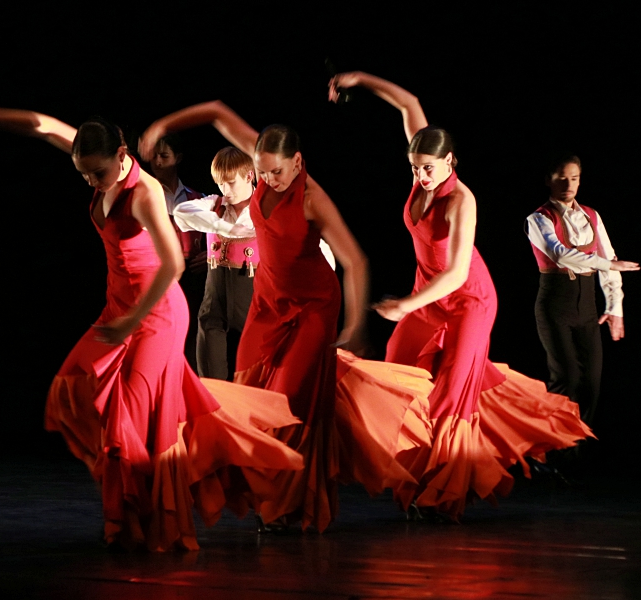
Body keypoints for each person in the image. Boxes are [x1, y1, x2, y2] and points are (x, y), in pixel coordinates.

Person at [0, 107, 305, 551]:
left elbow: (174, 264)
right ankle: (129, 517)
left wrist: (131, 323)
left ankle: (145, 524)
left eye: (96, 174)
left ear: (121, 154)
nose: (90, 182)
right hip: (119, 311)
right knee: (73, 388)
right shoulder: (95, 159)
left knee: (135, 426)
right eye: (82, 175)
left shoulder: (145, 192)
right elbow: (42, 126)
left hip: (155, 315)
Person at [141, 101, 428, 533]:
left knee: (290, 402)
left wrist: (353, 327)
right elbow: (218, 111)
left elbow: (356, 261)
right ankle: (269, 491)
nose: (268, 179)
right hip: (268, 303)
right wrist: (163, 121)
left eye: (276, 171)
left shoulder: (313, 198)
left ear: (297, 162)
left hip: (313, 306)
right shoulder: (263, 163)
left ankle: (290, 504)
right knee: (247, 392)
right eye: (262, 171)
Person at [330, 70, 596, 520]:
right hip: (427, 298)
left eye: (428, 169)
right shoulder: (423, 172)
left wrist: (404, 306)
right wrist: (361, 80)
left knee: (453, 393)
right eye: (414, 168)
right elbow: (409, 101)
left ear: (450, 161)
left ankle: (443, 495)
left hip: (469, 301)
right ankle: (413, 472)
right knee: (399, 370)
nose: (420, 175)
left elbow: (455, 273)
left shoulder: (460, 200)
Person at [175, 147, 338, 381]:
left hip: (253, 301)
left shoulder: (269, 209)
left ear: (249, 176)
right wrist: (224, 227)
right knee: (211, 381)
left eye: (230, 183)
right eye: (220, 184)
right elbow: (181, 212)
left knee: (255, 381)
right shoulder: (215, 206)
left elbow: (316, 248)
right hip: (214, 305)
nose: (225, 190)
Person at [527, 156, 637, 430]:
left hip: (586, 304)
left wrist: (614, 307)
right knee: (567, 379)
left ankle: (576, 449)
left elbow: (609, 258)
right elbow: (561, 255)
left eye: (574, 178)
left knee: (591, 383)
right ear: (549, 180)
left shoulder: (592, 215)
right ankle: (553, 451)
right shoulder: (539, 218)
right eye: (562, 177)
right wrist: (608, 264)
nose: (568, 183)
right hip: (555, 303)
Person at [148, 134, 206, 370]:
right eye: (154, 157)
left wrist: (210, 257)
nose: (158, 162)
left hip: (193, 278)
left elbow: (220, 236)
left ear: (178, 158)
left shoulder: (198, 198)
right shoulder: (146, 195)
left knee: (193, 341)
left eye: (164, 156)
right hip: (159, 277)